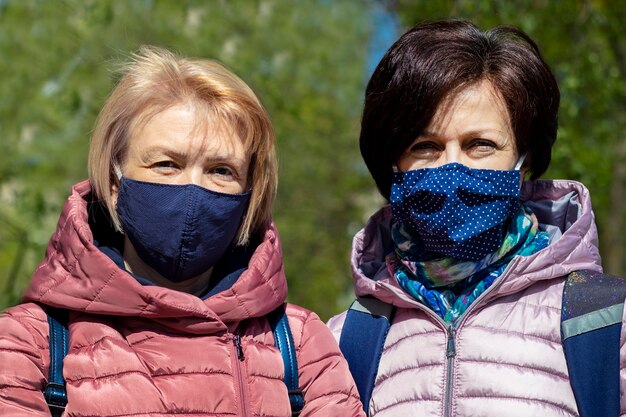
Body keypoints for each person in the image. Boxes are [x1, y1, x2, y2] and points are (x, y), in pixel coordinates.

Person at [0, 46, 364, 417]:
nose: (193, 190)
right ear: (114, 182)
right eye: (166, 164)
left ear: (249, 196)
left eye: (222, 171)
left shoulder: (301, 347)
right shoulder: (29, 345)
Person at [328, 20, 616, 416]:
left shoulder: (605, 326)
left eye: (480, 144)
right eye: (425, 146)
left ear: (524, 161)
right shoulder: (344, 342)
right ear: (393, 164)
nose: (452, 167)